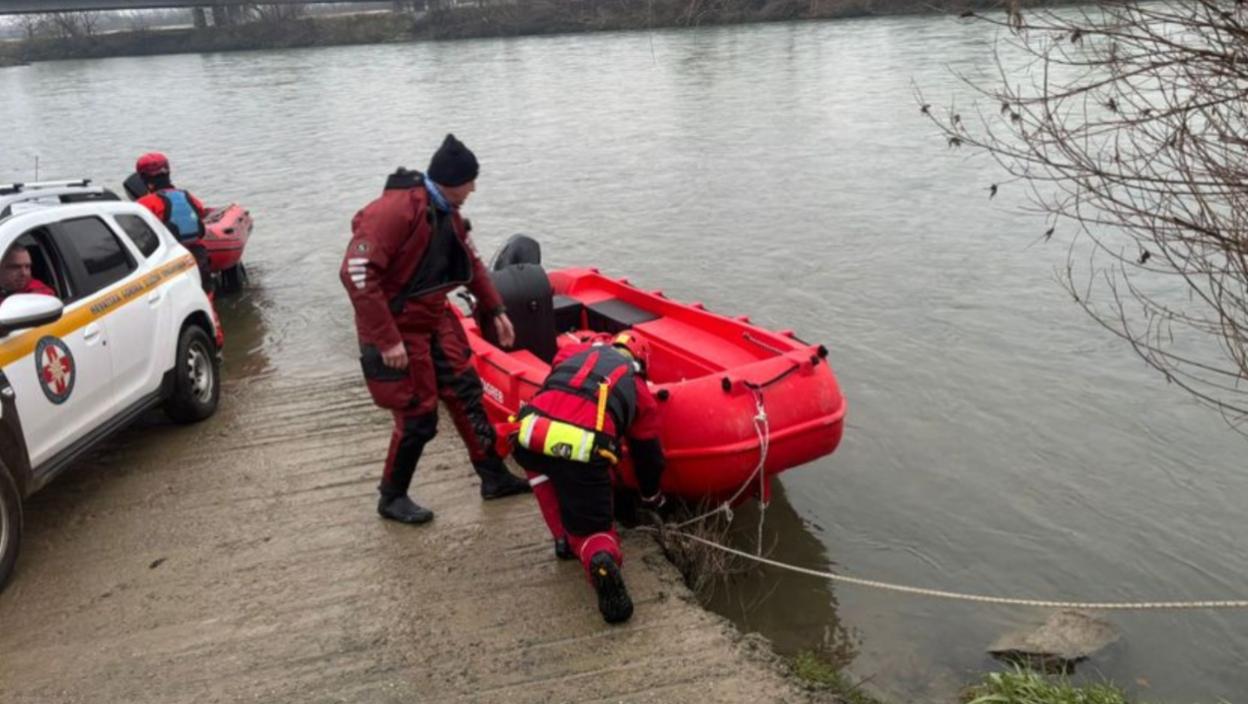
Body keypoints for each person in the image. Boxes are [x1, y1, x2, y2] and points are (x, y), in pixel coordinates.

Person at [340, 133, 531, 526]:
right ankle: (391, 497)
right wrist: (387, 339)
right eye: (470, 182)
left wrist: (495, 309)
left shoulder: (450, 215)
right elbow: (356, 272)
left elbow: (473, 264)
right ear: (450, 180)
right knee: (418, 417)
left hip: (432, 315)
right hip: (397, 324)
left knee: (466, 390)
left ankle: (493, 477)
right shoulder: (394, 212)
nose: (474, 189)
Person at [509, 330, 667, 624]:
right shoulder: (638, 389)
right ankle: (600, 559)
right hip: (582, 449)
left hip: (530, 432)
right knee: (594, 530)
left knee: (544, 476)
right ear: (640, 362)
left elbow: (559, 368)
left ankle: (562, 540)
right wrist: (651, 497)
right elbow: (649, 457)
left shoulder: (572, 354)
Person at [133, 152, 213, 293]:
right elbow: (200, 211)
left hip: (171, 261)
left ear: (143, 178)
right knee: (206, 297)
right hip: (198, 256)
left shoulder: (144, 204)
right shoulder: (186, 195)